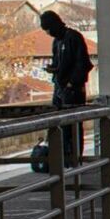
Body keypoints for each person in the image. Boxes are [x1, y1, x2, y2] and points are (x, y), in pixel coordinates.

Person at [41, 10, 92, 163]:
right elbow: (59, 63)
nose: (48, 33)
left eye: (48, 29)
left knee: (73, 126)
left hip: (72, 89)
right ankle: (63, 157)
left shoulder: (73, 38)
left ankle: (74, 157)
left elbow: (83, 64)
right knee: (58, 125)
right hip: (59, 87)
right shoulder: (56, 42)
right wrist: (53, 69)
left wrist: (72, 83)